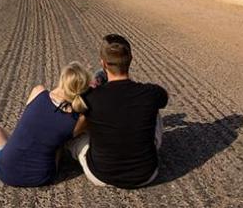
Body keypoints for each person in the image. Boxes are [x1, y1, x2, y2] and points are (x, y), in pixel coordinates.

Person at [67, 34, 168, 189]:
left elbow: (75, 117)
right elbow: (164, 99)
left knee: (78, 136)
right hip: (146, 175)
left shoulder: (91, 97)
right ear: (131, 59)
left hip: (101, 174)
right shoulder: (151, 92)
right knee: (154, 109)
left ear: (103, 64)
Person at [0, 61, 90, 187]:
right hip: (42, 177)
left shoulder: (38, 92)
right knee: (59, 141)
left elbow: (37, 116)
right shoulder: (79, 120)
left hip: (7, 172)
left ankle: (14, 149)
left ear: (62, 80)